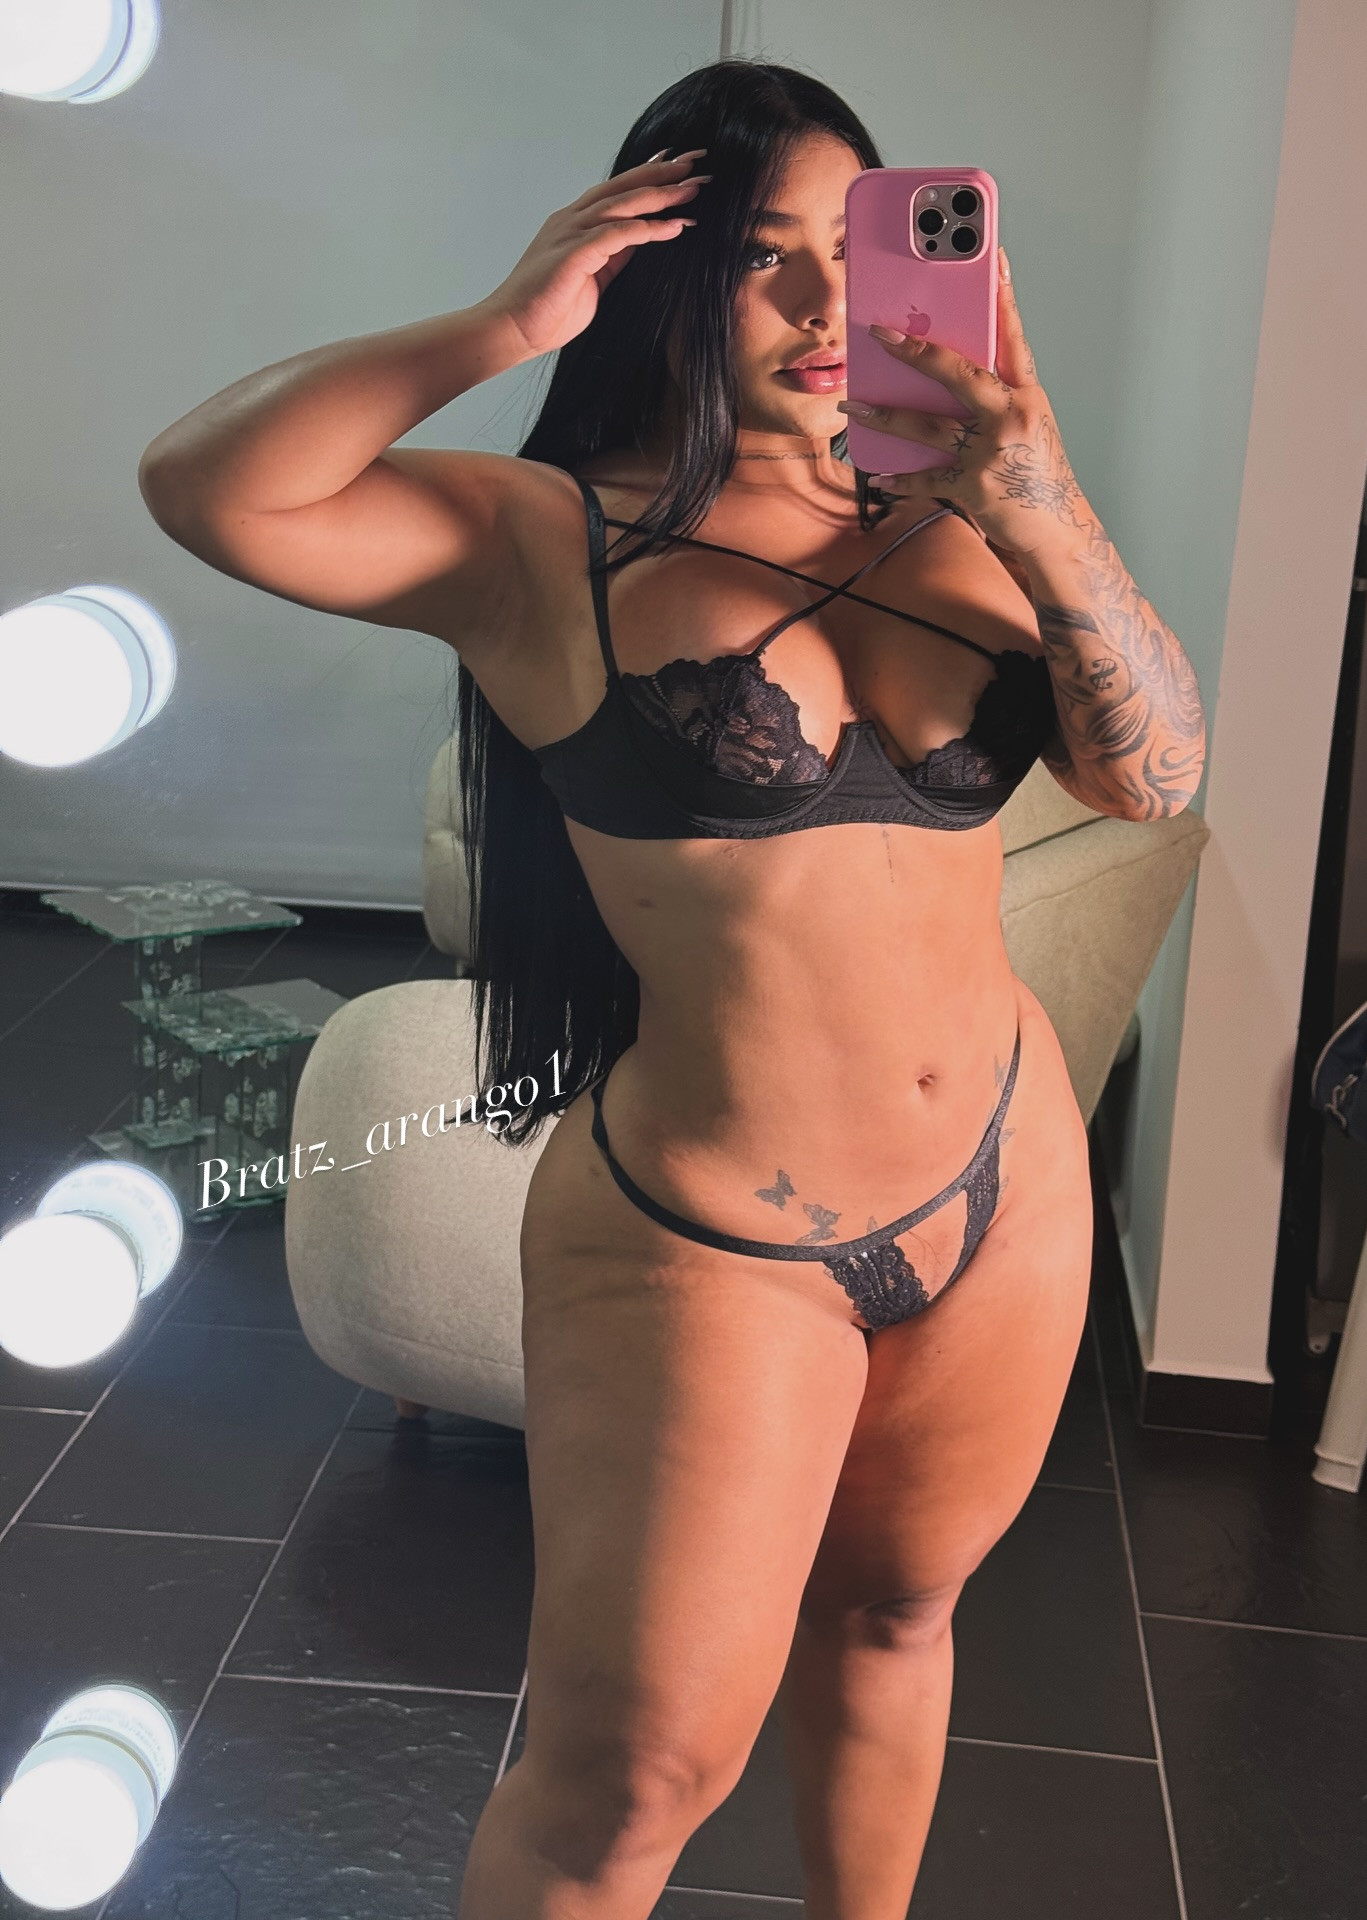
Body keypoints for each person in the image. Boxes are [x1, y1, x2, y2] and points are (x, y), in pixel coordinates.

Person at [138, 57, 1204, 1920]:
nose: (822, 301)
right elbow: (209, 490)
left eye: (858, 248)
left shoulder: (961, 518)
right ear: (660, 273)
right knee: (625, 1781)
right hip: (715, 1240)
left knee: (899, 1620)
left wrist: (1037, 499)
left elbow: (1158, 775)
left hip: (1006, 1186)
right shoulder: (545, 542)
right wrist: (498, 325)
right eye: (759, 254)